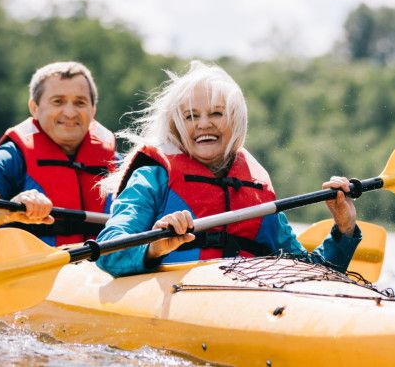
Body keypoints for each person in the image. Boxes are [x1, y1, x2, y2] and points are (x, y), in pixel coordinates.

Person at [96, 60, 361, 277]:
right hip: (173, 299)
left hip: (246, 303)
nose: (203, 124)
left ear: (235, 121)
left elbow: (309, 274)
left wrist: (344, 229)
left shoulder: (257, 191)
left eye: (216, 114)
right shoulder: (153, 177)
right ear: (176, 127)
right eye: (190, 116)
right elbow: (108, 251)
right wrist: (153, 249)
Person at [0, 61, 116, 245]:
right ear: (34, 108)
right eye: (58, 101)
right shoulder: (12, 157)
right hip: (35, 266)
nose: (70, 112)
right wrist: (7, 212)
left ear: (93, 109)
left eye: (80, 102)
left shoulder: (117, 165)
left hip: (100, 269)